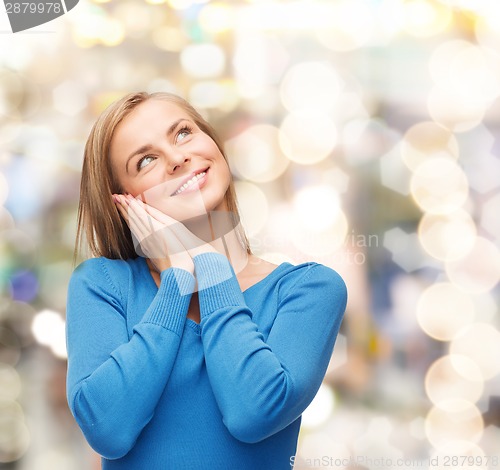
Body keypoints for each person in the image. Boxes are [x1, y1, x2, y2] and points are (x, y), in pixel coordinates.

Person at [66, 91, 347, 470]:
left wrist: (206, 262)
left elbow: (253, 412)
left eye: (183, 133)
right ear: (123, 201)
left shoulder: (308, 290)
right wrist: (177, 279)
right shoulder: (102, 285)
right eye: (146, 160)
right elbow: (108, 430)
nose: (178, 157)